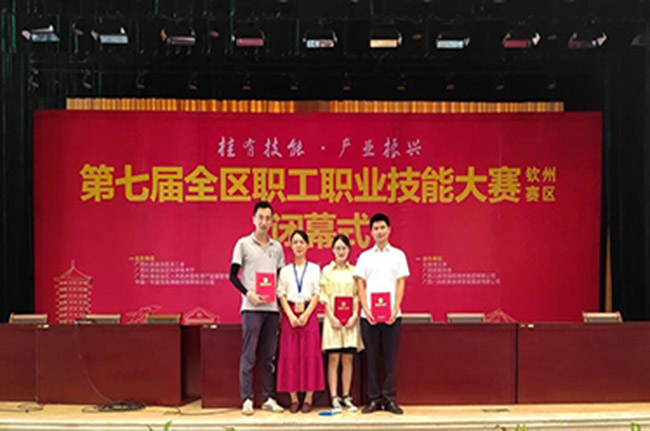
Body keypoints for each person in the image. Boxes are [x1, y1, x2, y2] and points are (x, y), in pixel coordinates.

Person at [230, 201, 285, 416]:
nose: (264, 222)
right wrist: (248, 293)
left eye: (267, 218)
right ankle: (247, 398)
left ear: (272, 221)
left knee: (269, 355)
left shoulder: (277, 247)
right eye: (260, 217)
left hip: (272, 309)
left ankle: (268, 397)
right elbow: (232, 276)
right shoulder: (243, 244)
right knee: (249, 354)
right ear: (253, 219)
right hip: (251, 308)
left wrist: (281, 305)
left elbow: (280, 278)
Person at [353, 213, 410, 415]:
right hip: (369, 317)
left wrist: (395, 308)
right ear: (371, 232)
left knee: (390, 359)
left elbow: (401, 282)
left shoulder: (398, 255)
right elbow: (360, 283)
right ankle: (374, 399)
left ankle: (390, 399)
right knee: (372, 358)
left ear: (389, 229)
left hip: (392, 316)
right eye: (375, 228)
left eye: (382, 228)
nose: (379, 232)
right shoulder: (365, 257)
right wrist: (366, 308)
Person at [276, 230, 325, 413]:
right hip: (290, 316)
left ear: (307, 245)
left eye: (301, 242)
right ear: (290, 245)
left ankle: (309, 399)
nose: (298, 246)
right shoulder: (285, 271)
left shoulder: (314, 269)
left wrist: (305, 315)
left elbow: (317, 293)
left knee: (310, 355)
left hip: (308, 315)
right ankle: (294, 399)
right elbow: (281, 294)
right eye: (295, 242)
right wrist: (290, 315)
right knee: (290, 356)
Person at [320, 234, 364, 412]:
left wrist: (354, 315)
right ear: (332, 250)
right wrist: (331, 316)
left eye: (344, 248)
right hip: (332, 321)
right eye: (337, 248)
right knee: (333, 359)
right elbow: (324, 295)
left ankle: (346, 396)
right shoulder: (326, 271)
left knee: (348, 359)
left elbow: (357, 295)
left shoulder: (354, 272)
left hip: (350, 322)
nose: (341, 251)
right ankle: (334, 397)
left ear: (349, 250)